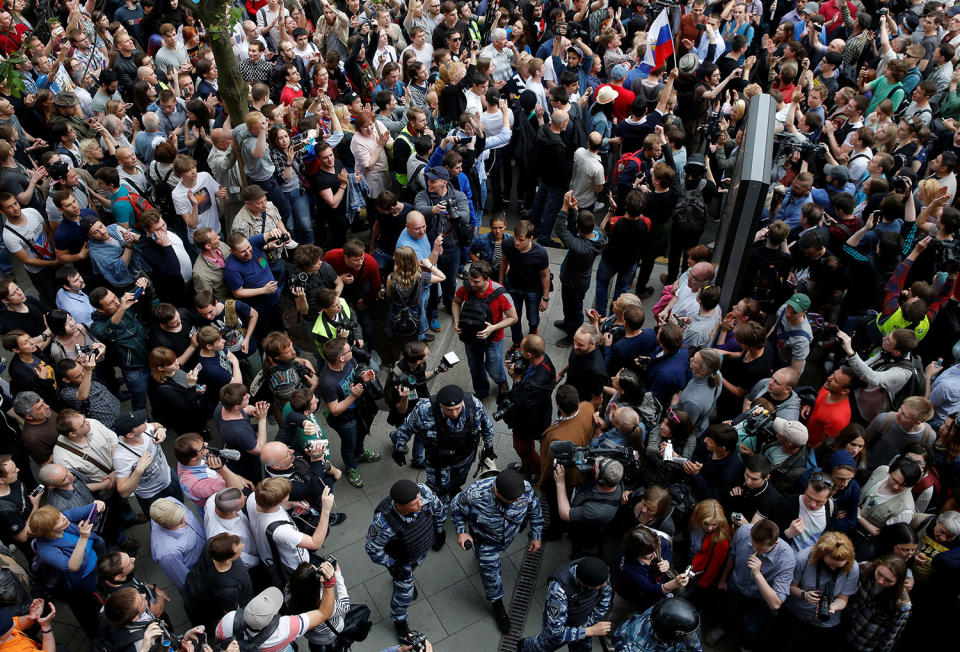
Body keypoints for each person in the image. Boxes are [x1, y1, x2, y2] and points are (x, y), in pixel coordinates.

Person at [449, 470, 544, 632]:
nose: (517, 500)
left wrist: (536, 535)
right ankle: (497, 604)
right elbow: (455, 506)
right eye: (512, 499)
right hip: (486, 540)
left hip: (509, 535)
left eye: (518, 497)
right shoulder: (474, 495)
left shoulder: (524, 489)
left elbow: (534, 510)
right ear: (496, 491)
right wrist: (461, 531)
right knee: (490, 573)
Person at [392, 384, 496, 515]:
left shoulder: (474, 405)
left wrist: (489, 447)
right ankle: (439, 507)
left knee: (458, 481)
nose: (453, 413)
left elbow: (487, 426)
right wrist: (399, 448)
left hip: (465, 458)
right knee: (438, 488)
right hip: (438, 462)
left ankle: (454, 489)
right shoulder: (425, 409)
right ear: (440, 405)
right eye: (448, 410)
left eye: (457, 409)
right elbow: (407, 427)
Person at [366, 479, 446, 641]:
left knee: (413, 569)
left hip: (420, 551)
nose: (420, 504)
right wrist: (393, 565)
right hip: (401, 561)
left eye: (419, 500)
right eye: (414, 504)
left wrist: (439, 529)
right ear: (400, 506)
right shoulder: (383, 522)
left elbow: (438, 508)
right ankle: (399, 620)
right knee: (404, 595)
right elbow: (373, 549)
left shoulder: (422, 492)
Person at [710, 519, 795, 651]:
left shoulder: (786, 558)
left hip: (759, 598)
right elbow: (732, 556)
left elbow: (776, 603)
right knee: (729, 611)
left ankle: (745, 647)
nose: (755, 550)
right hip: (736, 585)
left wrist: (757, 574)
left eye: (761, 549)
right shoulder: (744, 531)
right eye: (753, 544)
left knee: (751, 627)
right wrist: (723, 579)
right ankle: (724, 628)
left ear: (775, 543)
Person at [245, 477, 336, 585]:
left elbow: (272, 506)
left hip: (267, 552)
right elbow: (315, 543)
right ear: (279, 500)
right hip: (294, 565)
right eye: (287, 494)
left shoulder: (253, 498)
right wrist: (325, 510)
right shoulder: (281, 530)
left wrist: (291, 504)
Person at [316, 338, 381, 489]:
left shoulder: (350, 361)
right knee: (348, 444)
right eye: (349, 350)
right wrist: (353, 396)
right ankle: (351, 467)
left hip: (359, 410)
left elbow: (356, 374)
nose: (352, 350)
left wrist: (363, 377)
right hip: (344, 420)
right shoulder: (327, 382)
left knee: (362, 433)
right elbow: (334, 410)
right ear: (341, 358)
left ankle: (360, 452)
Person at [451, 260, 518, 399]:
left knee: (494, 366)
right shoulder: (467, 287)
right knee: (475, 367)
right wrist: (456, 321)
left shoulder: (500, 294)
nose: (472, 284)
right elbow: (456, 302)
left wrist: (492, 328)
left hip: (494, 338)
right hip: (469, 336)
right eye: (470, 280)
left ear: (487, 279)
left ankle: (502, 383)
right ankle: (481, 391)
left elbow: (513, 318)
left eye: (476, 281)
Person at [517, 556, 613, 652]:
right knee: (543, 646)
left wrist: (585, 626)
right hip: (563, 624)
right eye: (600, 584)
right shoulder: (558, 589)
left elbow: (603, 603)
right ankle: (524, 646)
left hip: (585, 621)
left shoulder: (600, 573)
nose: (605, 584)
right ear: (584, 583)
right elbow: (555, 631)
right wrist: (589, 631)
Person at [782, 532, 860, 646]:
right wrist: (804, 594)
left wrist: (832, 607)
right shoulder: (804, 558)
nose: (833, 569)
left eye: (838, 567)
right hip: (796, 614)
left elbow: (843, 598)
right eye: (829, 564)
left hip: (826, 623)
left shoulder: (853, 568)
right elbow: (790, 587)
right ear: (820, 556)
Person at [215, 580, 336, 649]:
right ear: (274, 615)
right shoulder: (285, 628)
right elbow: (323, 613)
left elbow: (218, 640)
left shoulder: (229, 620)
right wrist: (329, 582)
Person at [500, 334, 556, 474]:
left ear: (530, 354)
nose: (520, 351)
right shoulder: (544, 359)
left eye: (522, 350)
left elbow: (520, 402)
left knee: (523, 448)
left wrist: (517, 379)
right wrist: (517, 363)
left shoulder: (536, 383)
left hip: (530, 420)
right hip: (532, 415)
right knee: (520, 446)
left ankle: (537, 472)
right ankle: (527, 465)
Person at [499, 219, 550, 351]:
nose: (517, 242)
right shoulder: (507, 244)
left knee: (533, 320)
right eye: (516, 238)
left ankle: (532, 337)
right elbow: (503, 262)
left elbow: (545, 275)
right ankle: (517, 343)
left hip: (533, 290)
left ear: (530, 238)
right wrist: (500, 284)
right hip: (513, 287)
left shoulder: (540, 253)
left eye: (521, 240)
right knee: (514, 318)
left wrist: (545, 298)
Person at [843, 555, 912, 651]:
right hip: (843, 629)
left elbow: (889, 638)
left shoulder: (902, 606)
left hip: (862, 645)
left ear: (898, 582)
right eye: (879, 574)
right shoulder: (865, 569)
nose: (880, 581)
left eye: (888, 580)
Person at [148, 497, 205, 592]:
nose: (183, 518)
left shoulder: (170, 502)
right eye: (176, 519)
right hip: (199, 572)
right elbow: (185, 582)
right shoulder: (167, 554)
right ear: (162, 524)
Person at [611, 597, 701, 652]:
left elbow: (693, 645)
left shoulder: (664, 610)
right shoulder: (636, 648)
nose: (691, 636)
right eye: (688, 635)